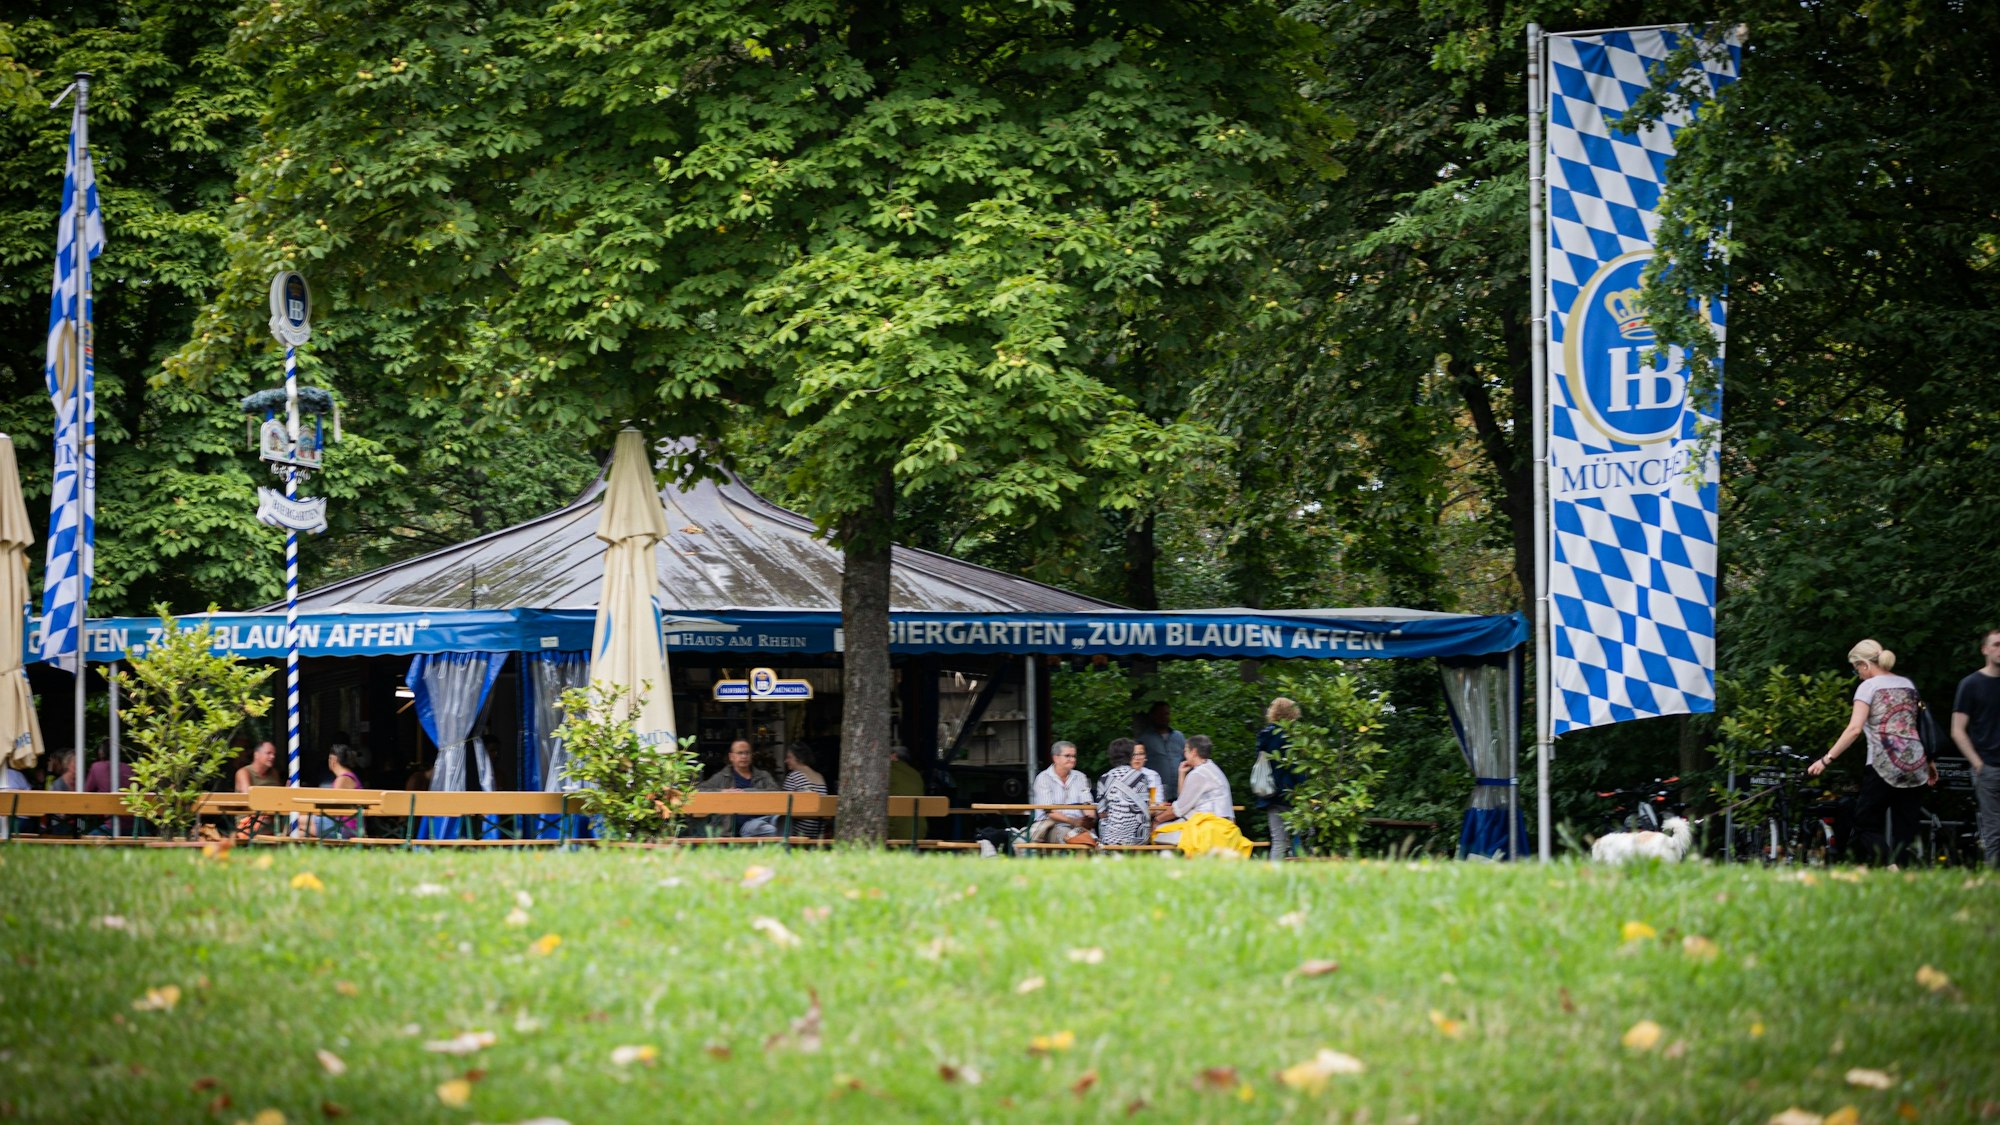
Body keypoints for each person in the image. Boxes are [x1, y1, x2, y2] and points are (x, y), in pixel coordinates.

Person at [1808, 639, 1936, 865]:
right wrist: (1930, 762)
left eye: (1856, 668)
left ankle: (1889, 865)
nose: (1857, 674)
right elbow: (1913, 727)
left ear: (1865, 664)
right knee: (1904, 827)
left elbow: (1854, 729)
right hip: (1915, 764)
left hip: (1883, 763)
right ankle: (1901, 874)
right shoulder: (1907, 684)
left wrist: (1826, 760)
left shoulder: (1868, 687)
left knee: (1864, 822)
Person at [1949, 627, 2000, 867]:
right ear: (1985, 649)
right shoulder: (1971, 684)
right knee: (1994, 831)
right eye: (1997, 644)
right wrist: (1978, 764)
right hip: (1989, 767)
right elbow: (1957, 729)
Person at [1151, 735, 1235, 845]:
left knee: (1158, 833)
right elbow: (1185, 800)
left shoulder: (1198, 774)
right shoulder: (1211, 768)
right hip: (1222, 824)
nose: (1184, 754)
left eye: (1186, 750)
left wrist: (1157, 820)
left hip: (1208, 826)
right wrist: (1182, 774)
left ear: (1194, 752)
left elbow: (1179, 809)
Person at [1255, 697, 1305, 860]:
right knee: (1299, 837)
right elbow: (1296, 768)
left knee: (1278, 841)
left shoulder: (1265, 736)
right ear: (1292, 713)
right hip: (1291, 794)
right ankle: (1301, 872)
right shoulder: (1291, 737)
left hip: (1270, 793)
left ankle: (1271, 878)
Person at [697, 739, 780, 836]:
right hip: (740, 826)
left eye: (747, 753)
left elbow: (776, 792)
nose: (744, 756)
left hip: (765, 818)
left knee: (779, 819)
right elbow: (699, 789)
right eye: (740, 753)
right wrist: (722, 791)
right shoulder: (723, 776)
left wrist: (747, 793)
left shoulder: (763, 775)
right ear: (731, 756)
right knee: (771, 830)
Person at [1030, 741, 1096, 845]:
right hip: (1052, 826)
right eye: (1068, 756)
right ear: (1055, 758)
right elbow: (1050, 812)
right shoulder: (1043, 778)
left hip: (1079, 826)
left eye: (1074, 756)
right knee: (1071, 836)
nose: (1072, 759)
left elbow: (1087, 804)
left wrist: (1089, 819)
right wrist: (1074, 821)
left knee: (1090, 837)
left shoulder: (1081, 777)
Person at [298, 744, 368, 840]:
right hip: (350, 826)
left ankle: (280, 843)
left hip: (344, 827)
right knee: (299, 833)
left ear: (333, 760)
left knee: (295, 820)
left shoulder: (343, 780)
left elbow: (331, 806)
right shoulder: (350, 777)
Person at [1094, 738, 1155, 846]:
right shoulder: (1142, 777)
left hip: (1112, 838)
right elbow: (1145, 806)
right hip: (1140, 836)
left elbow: (1102, 813)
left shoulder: (1104, 778)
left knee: (1102, 821)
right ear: (1131, 755)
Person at [1133, 702, 1187, 801]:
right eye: (1159, 714)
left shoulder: (1179, 737)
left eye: (1166, 714)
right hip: (1157, 793)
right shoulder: (1145, 739)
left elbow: (1187, 759)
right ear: (1153, 716)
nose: (1163, 717)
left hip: (1180, 791)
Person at [782, 743, 829, 840]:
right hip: (818, 833)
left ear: (799, 758)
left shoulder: (793, 777)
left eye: (789, 757)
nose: (786, 761)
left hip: (798, 832)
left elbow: (782, 807)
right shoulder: (820, 777)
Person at [887, 745, 929, 841]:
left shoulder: (887, 771)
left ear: (894, 756)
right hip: (919, 831)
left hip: (895, 831)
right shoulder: (916, 775)